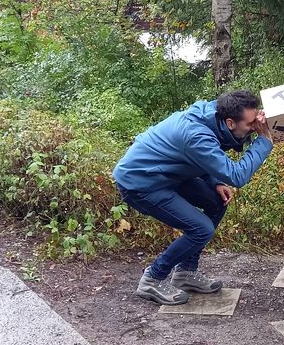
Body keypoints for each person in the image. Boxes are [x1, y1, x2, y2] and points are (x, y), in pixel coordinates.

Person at [113, 90, 274, 305]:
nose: (254, 127)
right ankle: (153, 278)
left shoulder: (212, 117)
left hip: (168, 172)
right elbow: (236, 175)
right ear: (230, 123)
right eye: (250, 124)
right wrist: (263, 141)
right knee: (201, 229)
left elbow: (198, 156)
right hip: (141, 182)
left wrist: (215, 182)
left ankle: (186, 273)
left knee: (217, 203)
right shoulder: (196, 133)